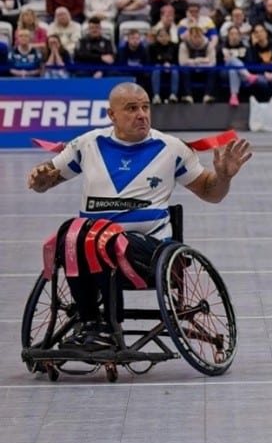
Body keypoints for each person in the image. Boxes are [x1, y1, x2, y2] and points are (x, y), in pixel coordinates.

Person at [26, 82, 252, 347]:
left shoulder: (171, 148)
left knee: (102, 240)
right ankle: (91, 324)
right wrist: (39, 178)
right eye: (132, 108)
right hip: (91, 244)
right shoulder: (87, 144)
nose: (142, 114)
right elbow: (46, 179)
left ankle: (108, 328)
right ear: (112, 115)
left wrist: (223, 177)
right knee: (68, 234)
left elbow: (211, 192)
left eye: (145, 107)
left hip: (148, 252)